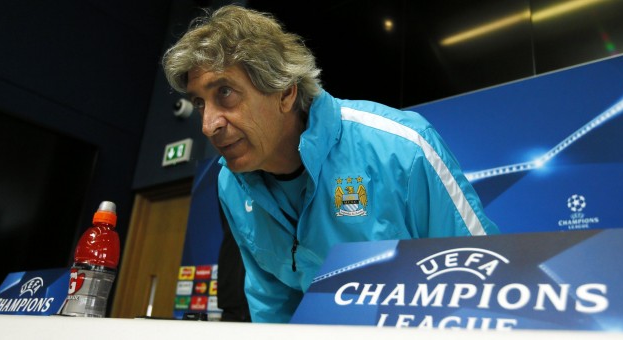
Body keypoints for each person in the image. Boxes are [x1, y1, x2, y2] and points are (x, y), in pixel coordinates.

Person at [163, 4, 499, 323]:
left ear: (284, 93)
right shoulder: (230, 184)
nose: (208, 125)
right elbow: (273, 305)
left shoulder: (402, 148)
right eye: (199, 102)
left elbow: (487, 281)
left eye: (224, 92)